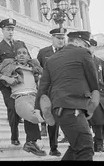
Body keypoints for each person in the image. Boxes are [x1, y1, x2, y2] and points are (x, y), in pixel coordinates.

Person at [34, 30, 100, 161]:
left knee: (76, 148)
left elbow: (43, 86)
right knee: (86, 147)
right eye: (86, 44)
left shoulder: (51, 59)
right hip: (74, 107)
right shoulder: (83, 53)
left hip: (58, 109)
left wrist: (37, 108)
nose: (88, 48)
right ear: (76, 42)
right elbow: (94, 84)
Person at [0, 46, 46, 156]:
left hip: (34, 97)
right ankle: (29, 141)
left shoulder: (34, 67)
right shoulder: (9, 65)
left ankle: (31, 142)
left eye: (24, 53)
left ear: (28, 56)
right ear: (16, 56)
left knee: (37, 113)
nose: (22, 55)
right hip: (20, 97)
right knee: (34, 115)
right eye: (19, 53)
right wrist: (5, 77)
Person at [0, 18, 29, 146]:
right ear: (2, 30)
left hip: (21, 82)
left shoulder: (21, 44)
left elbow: (28, 60)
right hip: (6, 84)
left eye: (12, 29)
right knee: (12, 107)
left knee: (23, 108)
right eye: (8, 29)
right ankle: (14, 135)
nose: (10, 32)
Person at [36, 27, 66, 156]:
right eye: (58, 38)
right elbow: (36, 69)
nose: (61, 41)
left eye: (63, 38)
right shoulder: (43, 53)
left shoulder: (67, 53)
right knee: (52, 120)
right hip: (48, 92)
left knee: (61, 118)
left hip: (63, 91)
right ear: (52, 38)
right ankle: (53, 148)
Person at [88, 38, 104, 152]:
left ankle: (100, 144)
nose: (90, 48)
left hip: (102, 95)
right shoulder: (84, 60)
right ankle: (98, 144)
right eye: (88, 46)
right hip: (90, 95)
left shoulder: (100, 62)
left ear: (95, 48)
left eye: (91, 46)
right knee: (97, 121)